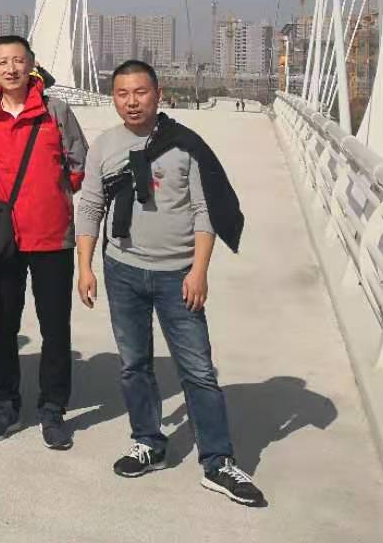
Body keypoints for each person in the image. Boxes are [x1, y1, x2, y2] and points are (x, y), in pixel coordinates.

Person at [76, 60, 264, 506]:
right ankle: (148, 442)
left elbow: (204, 210)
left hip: (177, 274)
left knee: (197, 369)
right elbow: (90, 207)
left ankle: (218, 461)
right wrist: (85, 267)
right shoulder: (104, 146)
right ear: (113, 98)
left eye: (140, 92)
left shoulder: (185, 145)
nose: (131, 101)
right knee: (134, 363)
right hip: (122, 269)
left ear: (158, 95)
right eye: (122, 93)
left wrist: (199, 270)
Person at [0, 35, 88, 448]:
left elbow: (79, 163)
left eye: (18, 60)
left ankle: (53, 409)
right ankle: (4, 403)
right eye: (2, 62)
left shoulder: (56, 111)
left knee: (55, 326)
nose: (11, 68)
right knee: (4, 323)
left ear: (31, 64)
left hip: (53, 236)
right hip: (5, 239)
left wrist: (53, 195)